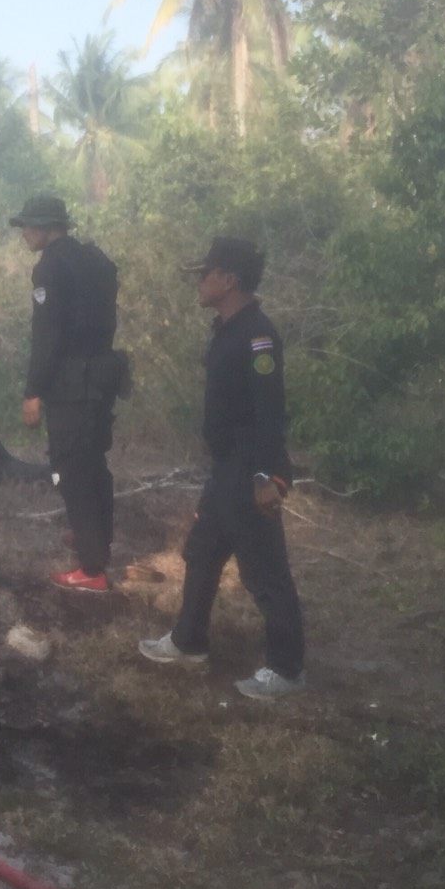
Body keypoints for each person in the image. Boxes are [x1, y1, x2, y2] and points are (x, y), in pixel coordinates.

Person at [139, 237, 306, 700]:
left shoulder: (258, 335)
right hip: (226, 467)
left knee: (265, 571)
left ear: (228, 280)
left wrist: (265, 476)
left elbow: (269, 411)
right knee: (203, 551)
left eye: (205, 274)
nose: (199, 281)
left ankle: (286, 669)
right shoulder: (227, 329)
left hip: (249, 468)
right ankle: (188, 641)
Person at [9, 195, 125, 593]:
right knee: (94, 463)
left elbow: (47, 336)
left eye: (28, 225)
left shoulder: (50, 268)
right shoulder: (95, 259)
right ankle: (95, 538)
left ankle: (92, 569)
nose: (24, 233)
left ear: (47, 227)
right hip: (103, 376)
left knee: (71, 470)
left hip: (71, 383)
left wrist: (33, 391)